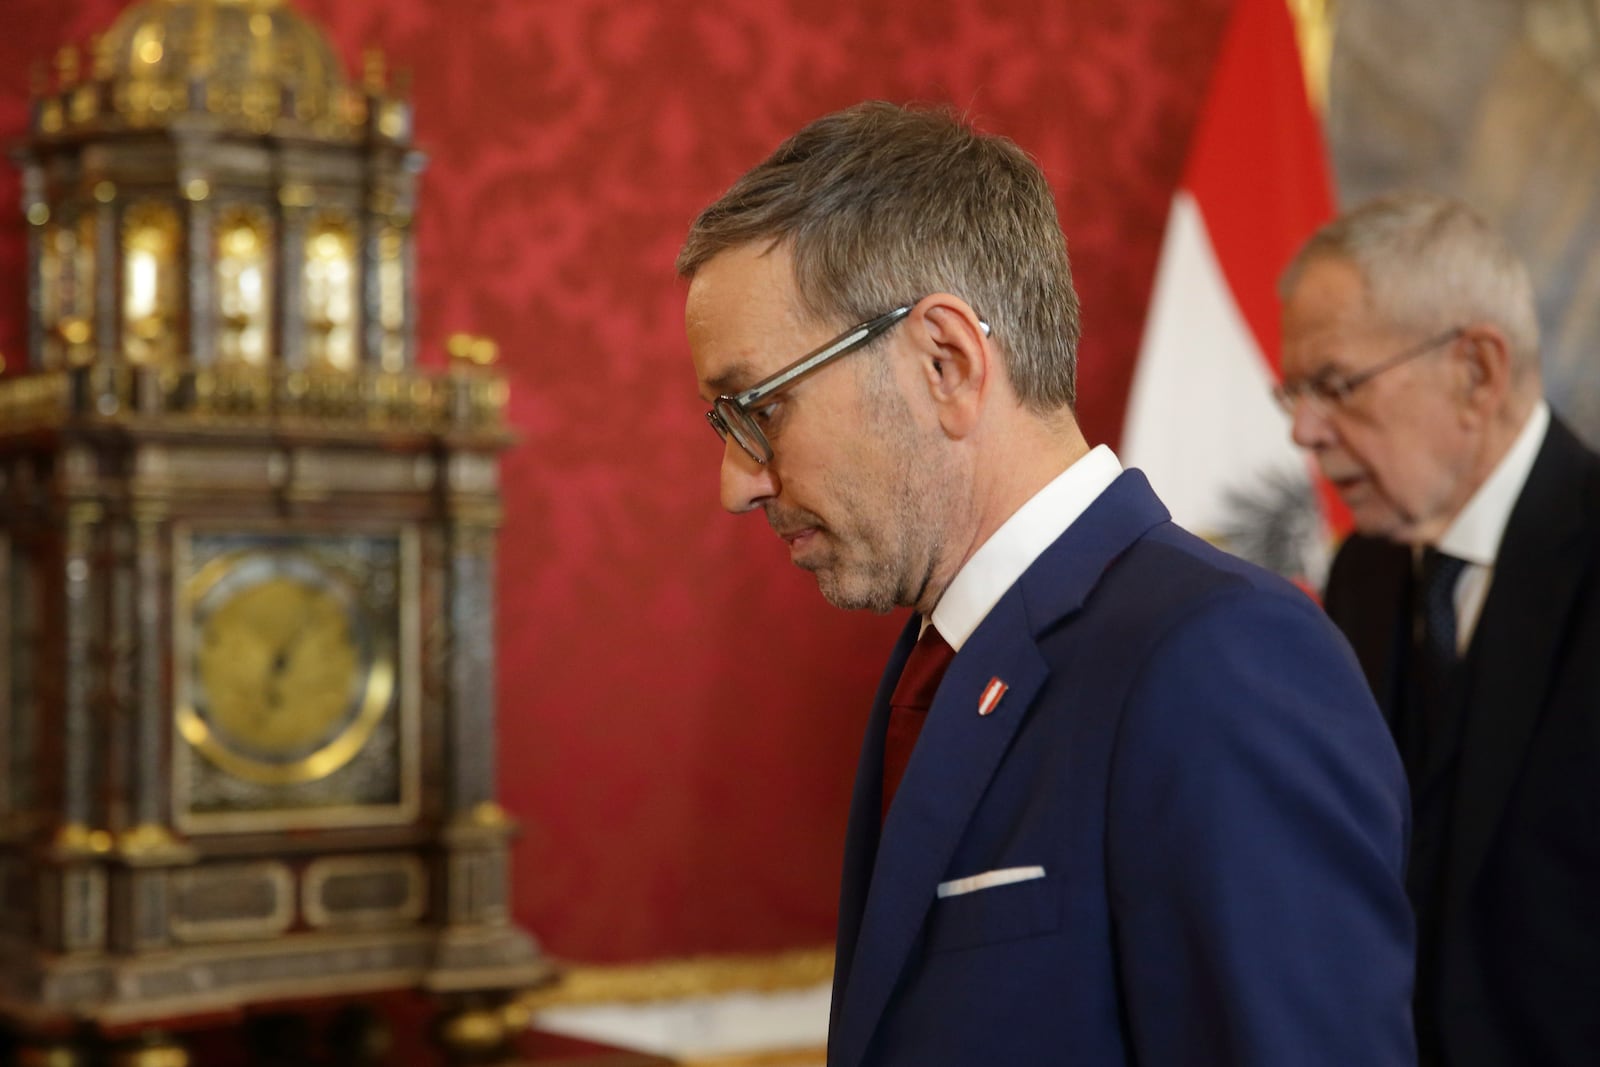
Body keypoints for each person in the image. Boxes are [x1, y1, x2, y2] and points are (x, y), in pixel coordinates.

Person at [678, 102, 1413, 1067]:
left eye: (760, 408)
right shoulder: (942, 661)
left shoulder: (1219, 660)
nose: (740, 482)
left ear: (946, 361)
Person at [1277, 191, 1600, 1067]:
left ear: (1477, 373)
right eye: (1294, 394)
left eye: (1335, 386)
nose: (1306, 431)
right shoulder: (1363, 574)